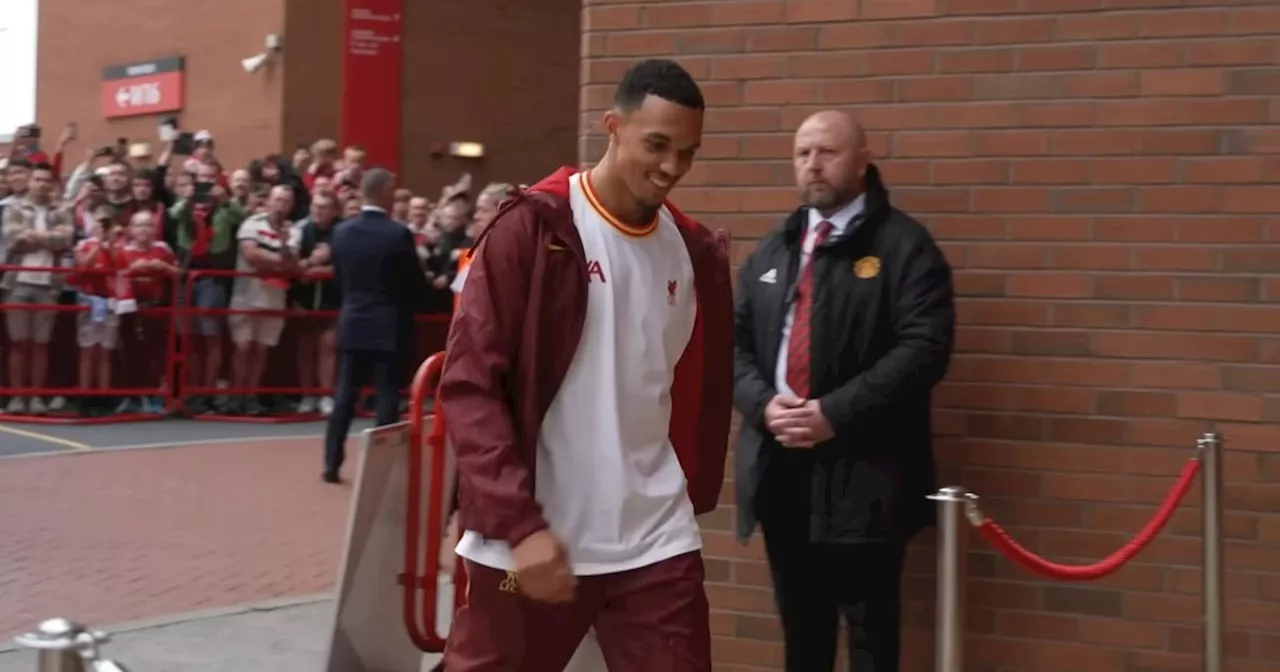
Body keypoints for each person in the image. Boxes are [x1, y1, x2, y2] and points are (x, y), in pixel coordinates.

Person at [436, 58, 733, 671]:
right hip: (534, 542)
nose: (671, 168)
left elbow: (699, 391)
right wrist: (517, 523)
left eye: (687, 152)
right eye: (657, 145)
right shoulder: (531, 228)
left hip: (655, 541)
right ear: (612, 128)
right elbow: (469, 388)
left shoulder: (696, 253)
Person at [732, 110, 956, 672]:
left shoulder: (906, 247)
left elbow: (924, 350)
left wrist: (835, 413)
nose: (813, 165)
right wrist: (762, 405)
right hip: (781, 470)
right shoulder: (772, 251)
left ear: (862, 159)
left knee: (870, 637)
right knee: (802, 636)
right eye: (803, 153)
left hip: (868, 478)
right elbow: (731, 347)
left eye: (828, 152)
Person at [322, 168, 429, 483]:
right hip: (389, 323)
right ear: (384, 192)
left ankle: (331, 462)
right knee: (386, 397)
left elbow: (339, 279)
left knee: (344, 395)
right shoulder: (398, 234)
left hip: (353, 319)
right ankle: (381, 471)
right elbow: (413, 282)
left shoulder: (341, 232)